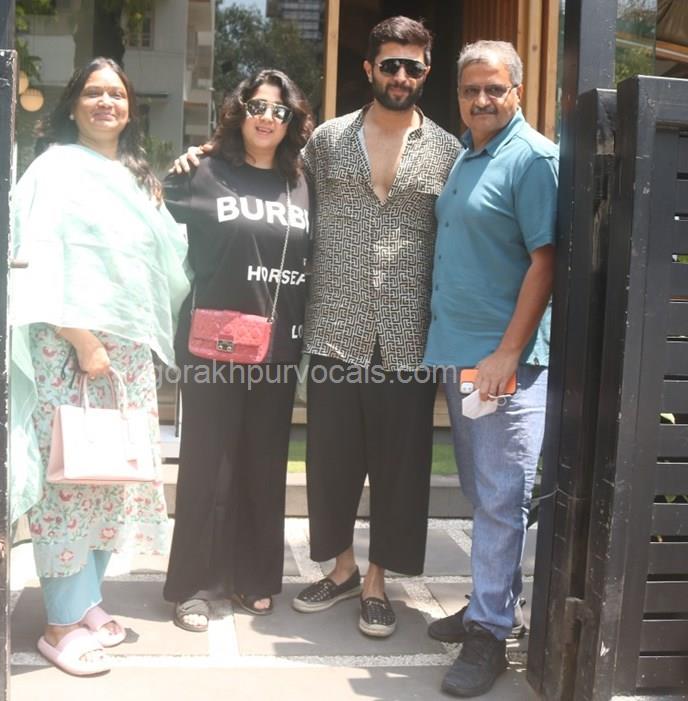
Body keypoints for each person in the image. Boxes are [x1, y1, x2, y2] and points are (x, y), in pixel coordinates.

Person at [9, 57, 190, 676]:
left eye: (116, 93)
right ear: (73, 104)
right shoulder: (54, 169)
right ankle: (59, 626)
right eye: (93, 92)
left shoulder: (137, 177)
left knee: (111, 477)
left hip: (126, 350)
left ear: (130, 107)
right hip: (69, 346)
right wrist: (82, 340)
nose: (105, 102)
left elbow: (163, 255)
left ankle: (85, 601)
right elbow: (34, 258)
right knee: (67, 479)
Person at [291, 16, 461, 638]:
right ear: (369, 69)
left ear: (426, 71)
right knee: (331, 460)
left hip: (409, 334)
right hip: (335, 325)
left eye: (412, 66)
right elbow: (277, 180)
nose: (400, 76)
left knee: (400, 465)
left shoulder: (449, 151)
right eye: (390, 64)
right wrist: (209, 155)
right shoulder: (327, 141)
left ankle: (376, 581)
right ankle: (341, 569)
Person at [423, 40, 557, 697]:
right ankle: (492, 601)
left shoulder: (532, 159)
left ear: (517, 93)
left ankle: (489, 635)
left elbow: (546, 260)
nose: (482, 99)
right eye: (471, 89)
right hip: (462, 356)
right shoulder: (466, 153)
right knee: (483, 494)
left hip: (505, 361)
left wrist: (508, 351)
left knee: (503, 498)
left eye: (494, 89)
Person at [162, 69, 313, 632]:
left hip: (278, 348)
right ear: (239, 110)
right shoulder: (202, 173)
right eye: (257, 106)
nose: (267, 117)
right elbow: (152, 238)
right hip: (212, 346)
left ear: (291, 121)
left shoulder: (304, 183)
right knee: (206, 466)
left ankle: (254, 577)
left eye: (279, 110)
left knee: (263, 466)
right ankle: (192, 586)